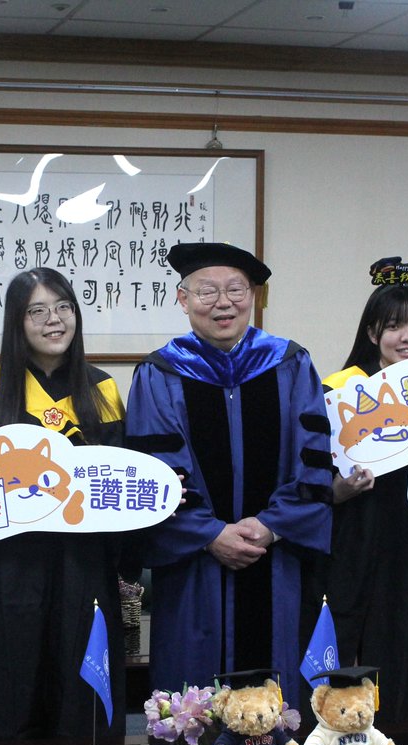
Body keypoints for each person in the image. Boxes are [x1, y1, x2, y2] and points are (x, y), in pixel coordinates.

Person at [125, 242, 333, 713]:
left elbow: (314, 463)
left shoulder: (291, 363)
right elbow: (155, 476)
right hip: (196, 566)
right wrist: (209, 533)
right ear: (183, 299)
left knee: (274, 711)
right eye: (207, 291)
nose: (224, 303)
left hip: (272, 558)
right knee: (191, 715)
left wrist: (272, 525)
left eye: (236, 289)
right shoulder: (159, 373)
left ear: (254, 296)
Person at [0, 267, 126, 740]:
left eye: (64, 307)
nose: (55, 321)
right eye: (38, 311)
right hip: (7, 575)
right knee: (6, 690)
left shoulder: (102, 392)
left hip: (83, 568)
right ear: (17, 323)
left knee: (80, 692)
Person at [320, 284, 408, 726]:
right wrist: (336, 489)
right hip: (346, 544)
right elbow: (307, 475)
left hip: (406, 549)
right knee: (335, 652)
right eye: (396, 325)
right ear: (372, 331)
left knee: (396, 655)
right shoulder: (338, 392)